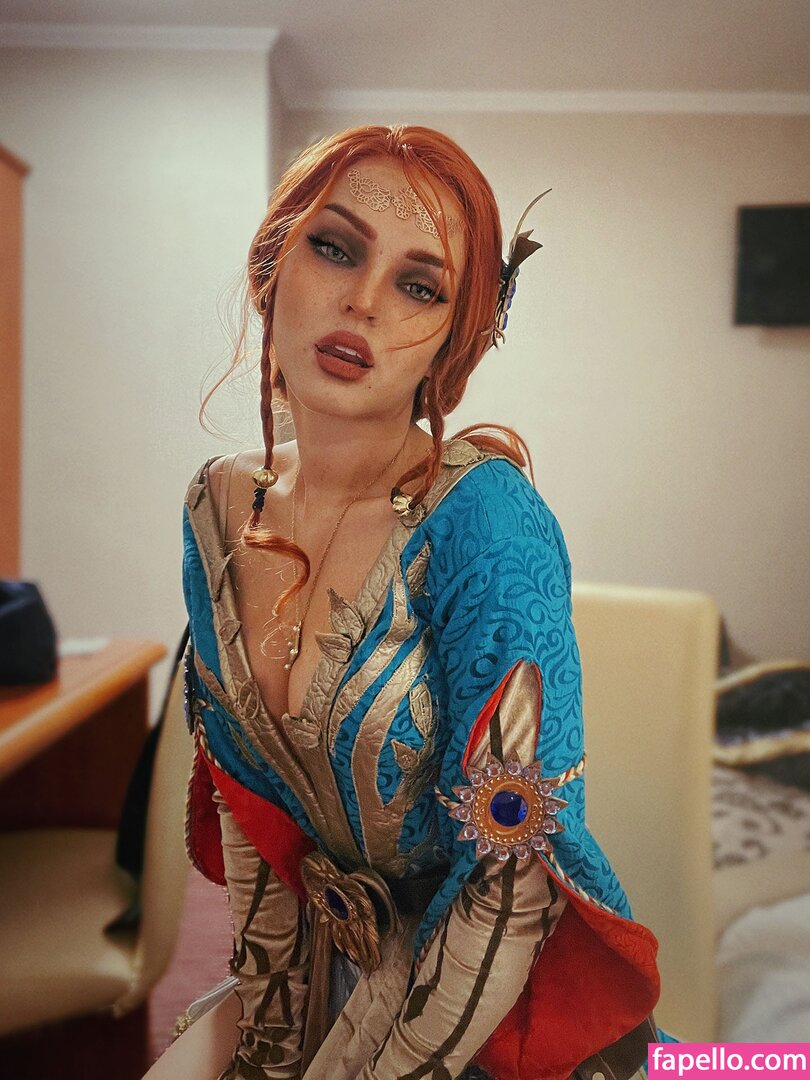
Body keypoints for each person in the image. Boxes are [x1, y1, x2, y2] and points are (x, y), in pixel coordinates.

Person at [145, 125, 662, 1080]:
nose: (365, 301)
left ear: (454, 340)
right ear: (273, 263)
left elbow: (511, 872)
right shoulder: (216, 504)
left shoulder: (488, 521)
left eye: (420, 286)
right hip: (323, 972)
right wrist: (272, 1045)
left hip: (491, 1009)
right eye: (335, 248)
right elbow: (246, 800)